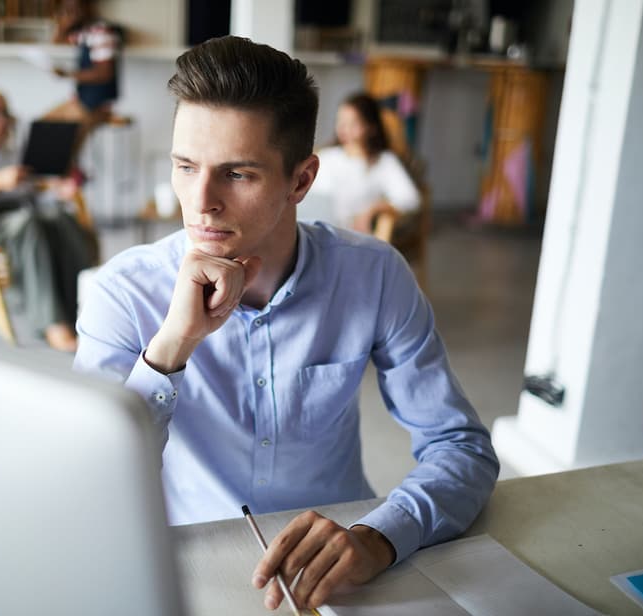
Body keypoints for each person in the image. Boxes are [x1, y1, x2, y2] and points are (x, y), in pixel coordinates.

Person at [72, 37, 498, 611]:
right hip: (191, 565)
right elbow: (91, 488)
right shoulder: (122, 293)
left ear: (301, 180)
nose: (201, 202)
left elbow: (460, 447)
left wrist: (379, 537)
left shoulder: (374, 276)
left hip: (345, 563)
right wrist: (170, 349)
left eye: (237, 174)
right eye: (185, 166)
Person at [0, 87, 94, 352]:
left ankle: (84, 311)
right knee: (29, 224)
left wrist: (58, 193)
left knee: (60, 218)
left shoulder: (10, 153)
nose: (0, 120)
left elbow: (31, 196)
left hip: (20, 211)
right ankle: (52, 324)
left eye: (4, 114)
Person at [310, 92, 421, 235]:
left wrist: (373, 210)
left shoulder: (384, 162)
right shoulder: (326, 157)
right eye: (341, 122)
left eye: (353, 123)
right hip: (316, 231)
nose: (345, 129)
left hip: (352, 237)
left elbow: (410, 199)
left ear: (371, 127)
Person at [44, 0, 121, 127]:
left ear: (87, 6)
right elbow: (57, 45)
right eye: (66, 9)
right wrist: (63, 26)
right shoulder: (84, 32)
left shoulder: (100, 32)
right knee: (41, 128)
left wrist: (67, 74)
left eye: (74, 8)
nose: (71, 12)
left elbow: (105, 73)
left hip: (96, 105)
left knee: (53, 137)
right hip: (82, 101)